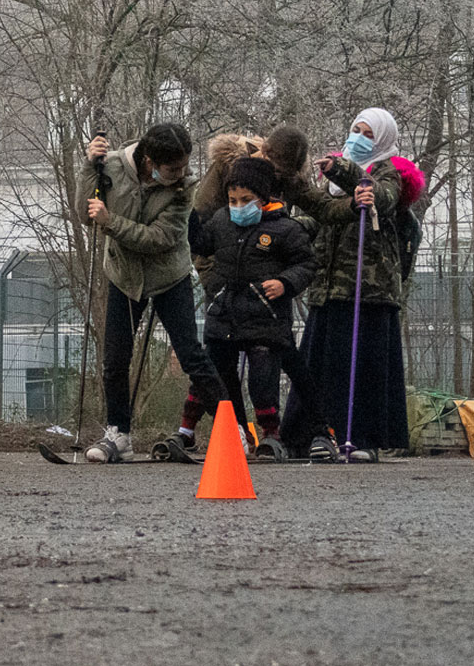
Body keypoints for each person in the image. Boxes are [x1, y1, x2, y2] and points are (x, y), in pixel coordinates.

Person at [78, 123, 227, 463]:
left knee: (191, 354)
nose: (182, 174)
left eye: (185, 165)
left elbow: (160, 238)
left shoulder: (183, 189)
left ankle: (229, 430)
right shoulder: (112, 166)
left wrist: (110, 221)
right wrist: (89, 166)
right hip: (123, 276)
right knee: (115, 359)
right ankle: (119, 435)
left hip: (169, 277)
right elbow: (85, 214)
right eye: (173, 168)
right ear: (148, 161)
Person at [161, 157, 319, 460]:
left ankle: (271, 435)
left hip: (264, 317)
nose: (238, 206)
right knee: (209, 374)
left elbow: (306, 263)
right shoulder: (221, 219)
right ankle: (187, 431)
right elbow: (202, 243)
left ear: (264, 197)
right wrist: (187, 216)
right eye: (233, 200)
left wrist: (285, 282)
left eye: (246, 200)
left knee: (262, 379)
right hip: (225, 314)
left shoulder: (286, 229)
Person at [278, 108, 411, 463]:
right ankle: (312, 433)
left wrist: (343, 169)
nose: (359, 138)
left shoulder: (390, 171)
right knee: (322, 366)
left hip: (368, 289)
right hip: (329, 284)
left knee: (363, 365)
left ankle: (363, 436)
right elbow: (321, 214)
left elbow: (382, 197)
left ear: (382, 138)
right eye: (355, 129)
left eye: (368, 133)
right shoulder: (332, 182)